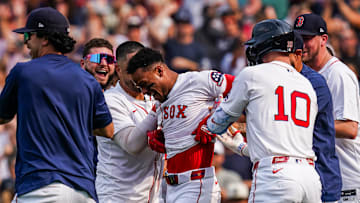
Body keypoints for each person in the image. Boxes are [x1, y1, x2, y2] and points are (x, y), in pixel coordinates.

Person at [0, 7, 114, 203]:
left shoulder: (23, 72)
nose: (25, 40)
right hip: (83, 191)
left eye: (29, 34)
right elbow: (107, 130)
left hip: (41, 186)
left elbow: (2, 116)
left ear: (44, 39)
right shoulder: (88, 80)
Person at [206, 19, 321, 202]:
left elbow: (217, 123)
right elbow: (284, 141)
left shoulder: (252, 74)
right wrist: (242, 148)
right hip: (310, 177)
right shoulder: (306, 84)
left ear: (263, 45)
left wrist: (211, 115)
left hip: (275, 175)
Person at [127, 47, 236, 202]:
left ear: (159, 70)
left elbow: (243, 90)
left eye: (145, 84)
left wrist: (216, 119)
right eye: (140, 87)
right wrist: (160, 137)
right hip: (170, 187)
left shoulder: (199, 80)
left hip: (196, 183)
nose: (144, 91)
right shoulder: (159, 102)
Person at [294, 13, 360, 202]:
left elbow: (350, 128)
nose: (302, 45)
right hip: (325, 176)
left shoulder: (338, 74)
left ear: (323, 39)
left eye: (307, 39)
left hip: (347, 178)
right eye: (298, 39)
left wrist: (304, 123)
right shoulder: (304, 75)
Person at [95, 41, 164, 202]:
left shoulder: (152, 99)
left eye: (142, 69)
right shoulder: (109, 101)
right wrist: (159, 108)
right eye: (131, 70)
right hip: (118, 196)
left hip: (153, 196)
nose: (137, 75)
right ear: (118, 70)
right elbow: (132, 144)